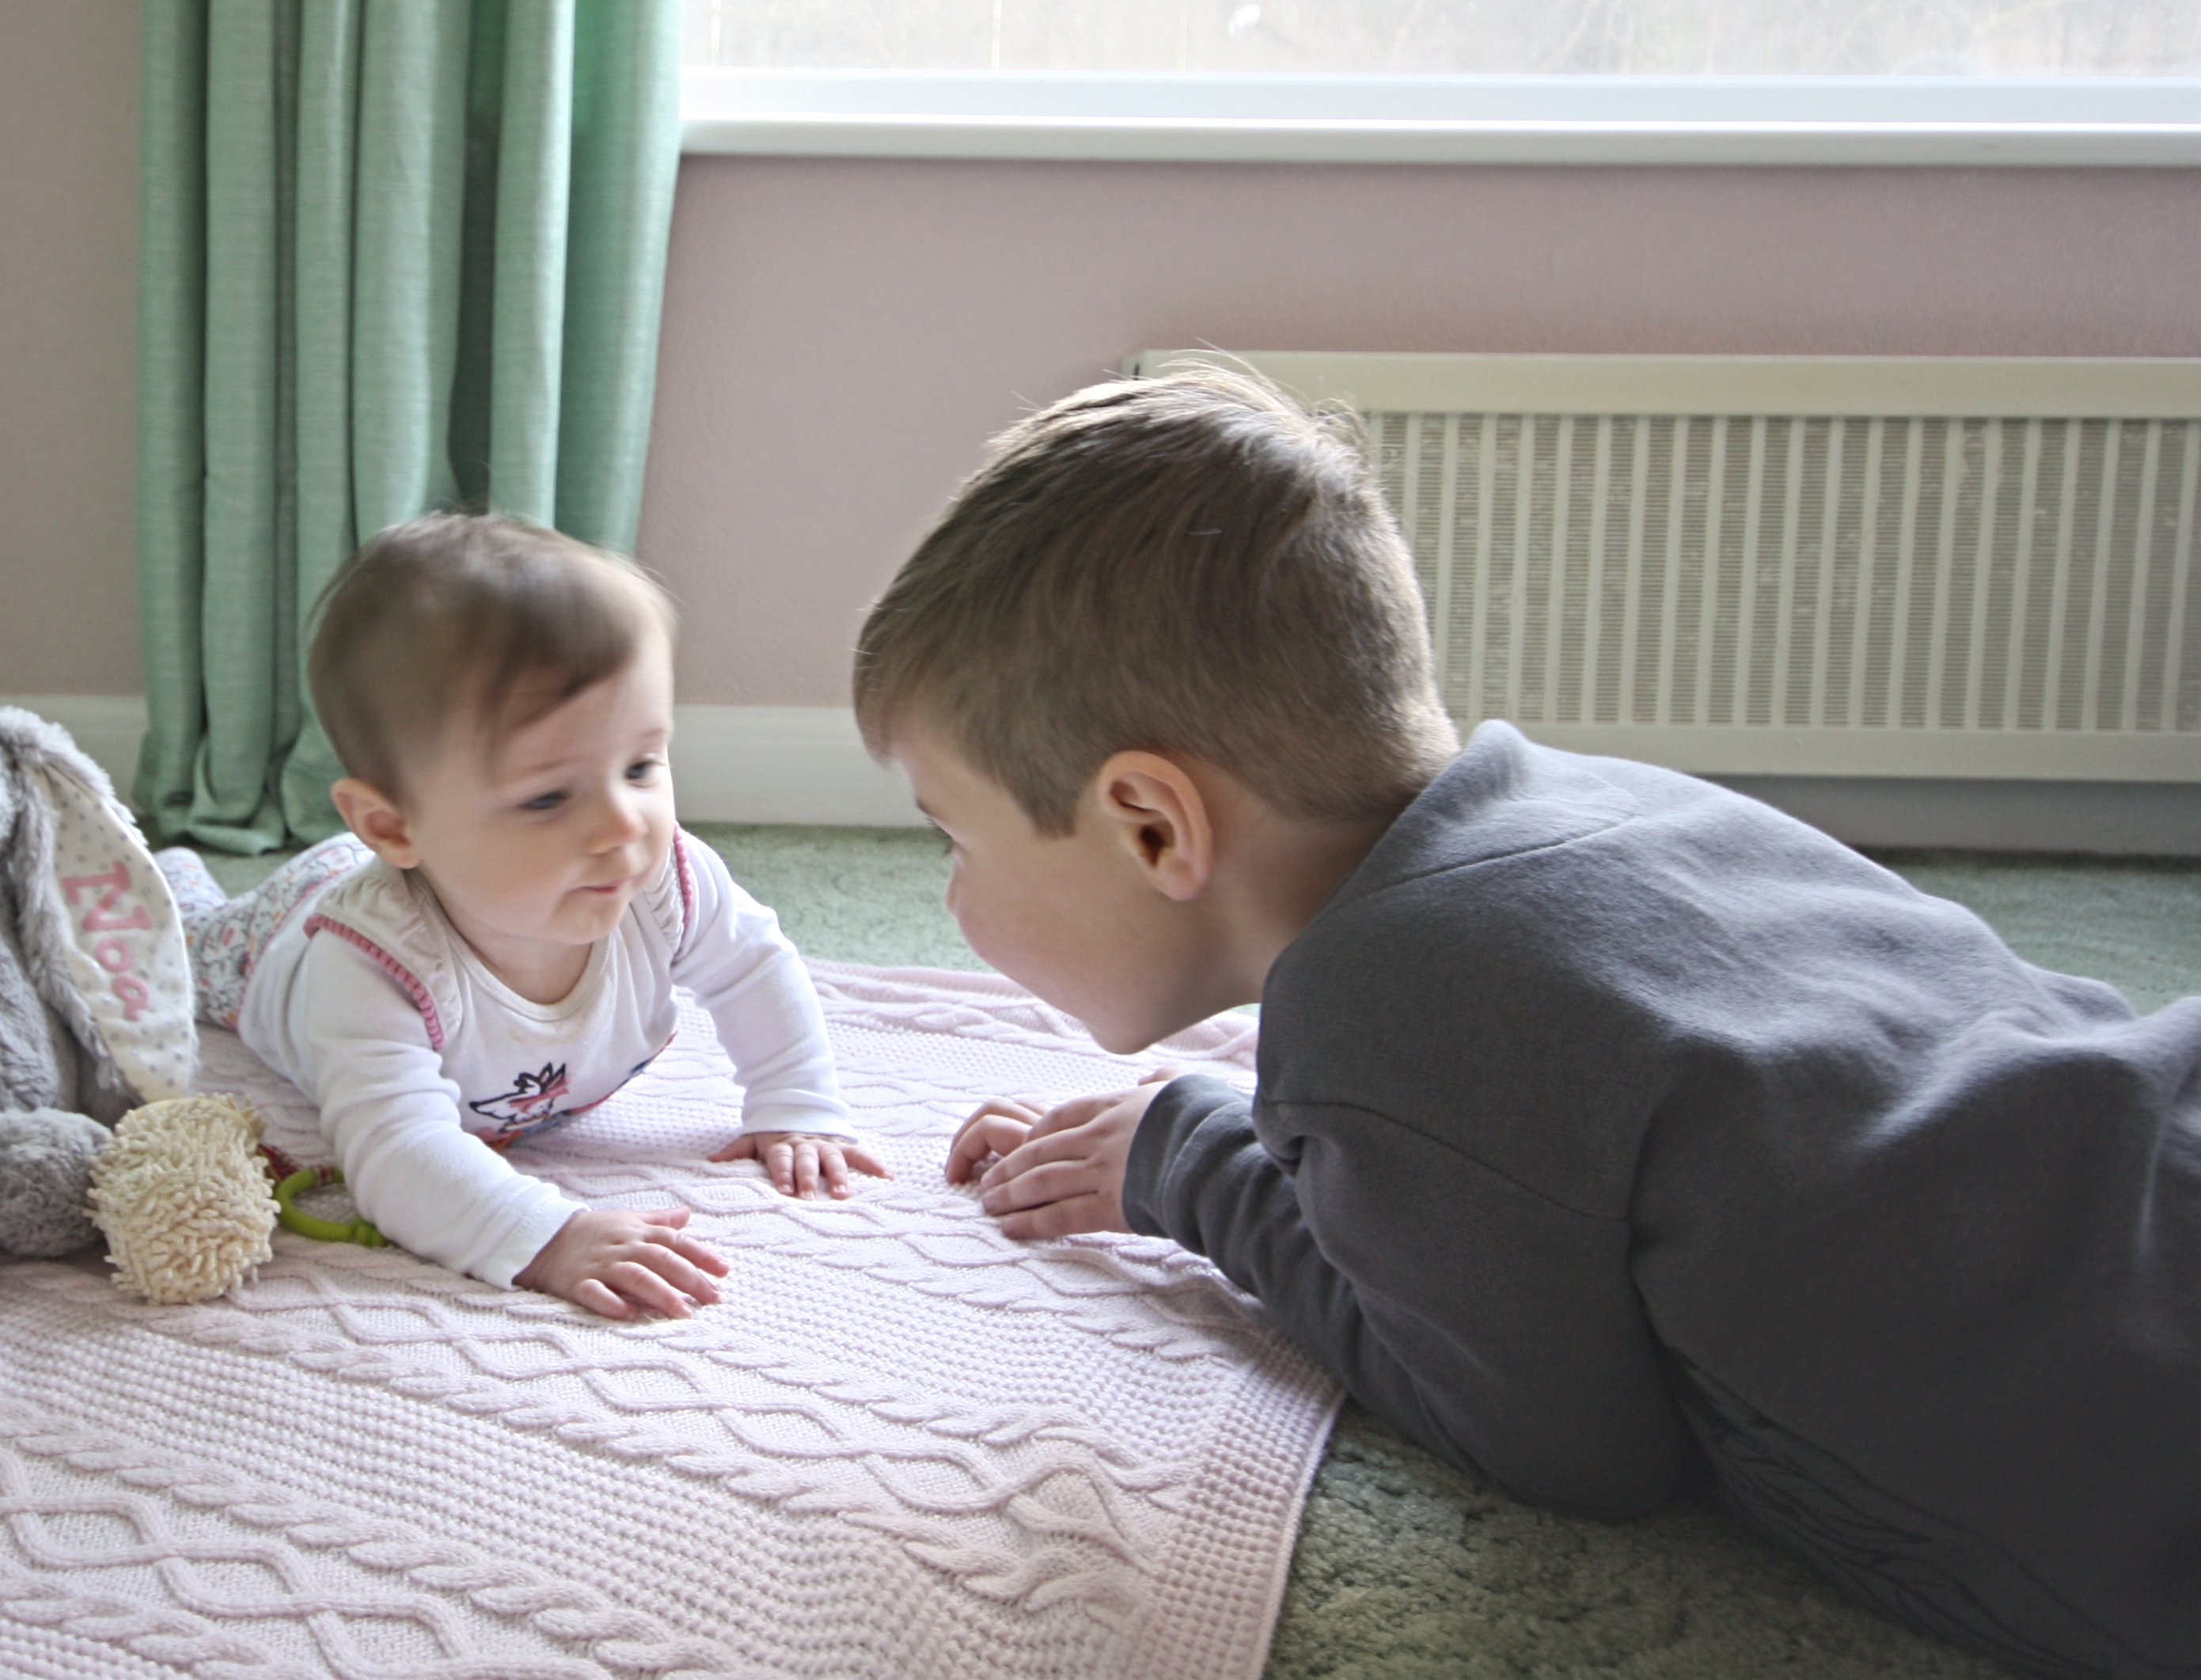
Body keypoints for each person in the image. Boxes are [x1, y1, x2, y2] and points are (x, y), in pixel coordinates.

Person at [860, 363, 2199, 1680]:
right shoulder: (1602, 802)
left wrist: (1189, 1157)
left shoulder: (1381, 1023)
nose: (950, 892)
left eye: (954, 839)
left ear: (1150, 824)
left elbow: (1562, 1452)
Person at [157, 511, 884, 1322]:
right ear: (394, 826)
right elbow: (395, 1154)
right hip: (276, 938)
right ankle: (176, 880)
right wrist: (544, 1235)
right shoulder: (366, 966)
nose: (622, 825)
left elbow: (755, 964)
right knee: (171, 954)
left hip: (414, 864)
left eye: (640, 765)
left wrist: (794, 1101)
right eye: (547, 797)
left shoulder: (662, 877)